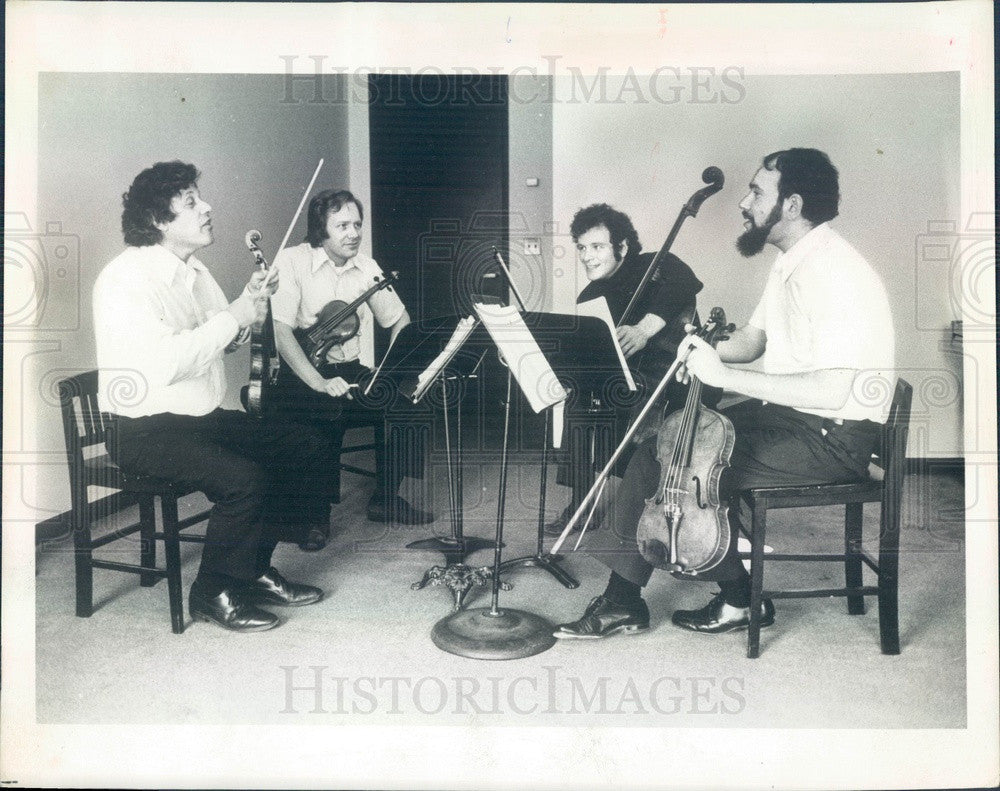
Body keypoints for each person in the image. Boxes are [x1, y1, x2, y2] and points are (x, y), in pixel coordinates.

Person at [554, 148, 895, 638]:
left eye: (757, 191)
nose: (743, 201)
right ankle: (649, 600)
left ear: (792, 205)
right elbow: (753, 341)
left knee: (682, 468)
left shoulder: (833, 271)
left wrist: (721, 376)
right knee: (664, 445)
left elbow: (833, 387)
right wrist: (692, 345)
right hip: (797, 417)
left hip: (832, 436)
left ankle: (705, 600)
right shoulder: (793, 261)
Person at [94, 161, 334, 633]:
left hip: (196, 419)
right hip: (142, 430)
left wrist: (247, 307)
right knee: (244, 481)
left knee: (301, 444)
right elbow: (164, 365)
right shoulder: (123, 281)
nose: (206, 208)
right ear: (160, 221)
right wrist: (234, 316)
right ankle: (212, 593)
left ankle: (254, 570)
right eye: (190, 202)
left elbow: (220, 339)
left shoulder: (195, 270)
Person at [270, 189, 432, 551]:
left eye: (357, 224)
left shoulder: (367, 267)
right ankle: (315, 515)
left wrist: (389, 371)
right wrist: (318, 382)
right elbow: (281, 331)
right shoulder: (292, 260)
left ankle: (386, 497)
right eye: (342, 225)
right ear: (320, 229)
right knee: (325, 412)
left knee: (411, 404)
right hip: (302, 372)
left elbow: (399, 320)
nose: (353, 233)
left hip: (351, 367)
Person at [544, 203, 709, 536]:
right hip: (630, 380)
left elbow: (685, 284)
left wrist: (644, 329)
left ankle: (648, 500)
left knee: (619, 408)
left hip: (675, 377)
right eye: (582, 248)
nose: (587, 256)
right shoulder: (590, 294)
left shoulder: (656, 264)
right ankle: (582, 500)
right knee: (579, 397)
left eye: (597, 246)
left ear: (621, 247)